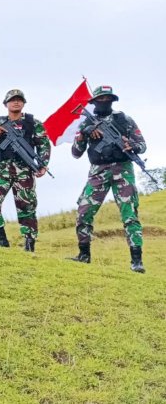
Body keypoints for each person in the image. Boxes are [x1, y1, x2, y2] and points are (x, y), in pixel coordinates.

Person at [69, 85, 146, 273]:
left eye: (108, 99)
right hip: (98, 171)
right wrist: (85, 133)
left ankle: (137, 261)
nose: (104, 102)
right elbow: (76, 153)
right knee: (84, 211)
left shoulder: (125, 120)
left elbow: (142, 145)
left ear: (113, 100)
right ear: (93, 102)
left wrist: (131, 147)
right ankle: (84, 254)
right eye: (100, 99)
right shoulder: (86, 123)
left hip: (123, 170)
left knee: (130, 215)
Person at [0, 89, 51, 251]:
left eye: (19, 99)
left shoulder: (34, 123)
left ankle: (29, 244)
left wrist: (43, 164)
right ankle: (0, 238)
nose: (16, 102)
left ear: (24, 103)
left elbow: (44, 145)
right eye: (12, 100)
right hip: (1, 170)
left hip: (24, 170)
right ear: (6, 104)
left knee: (27, 207)